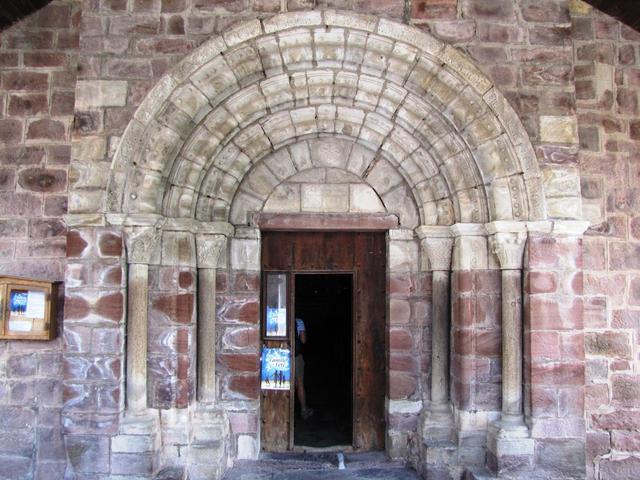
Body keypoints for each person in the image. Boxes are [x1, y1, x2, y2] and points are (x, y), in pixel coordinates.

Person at [295, 317, 313, 420]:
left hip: (280, 357)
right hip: (296, 357)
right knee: (300, 384)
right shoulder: (299, 321)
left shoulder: (278, 317)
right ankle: (303, 410)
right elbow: (303, 340)